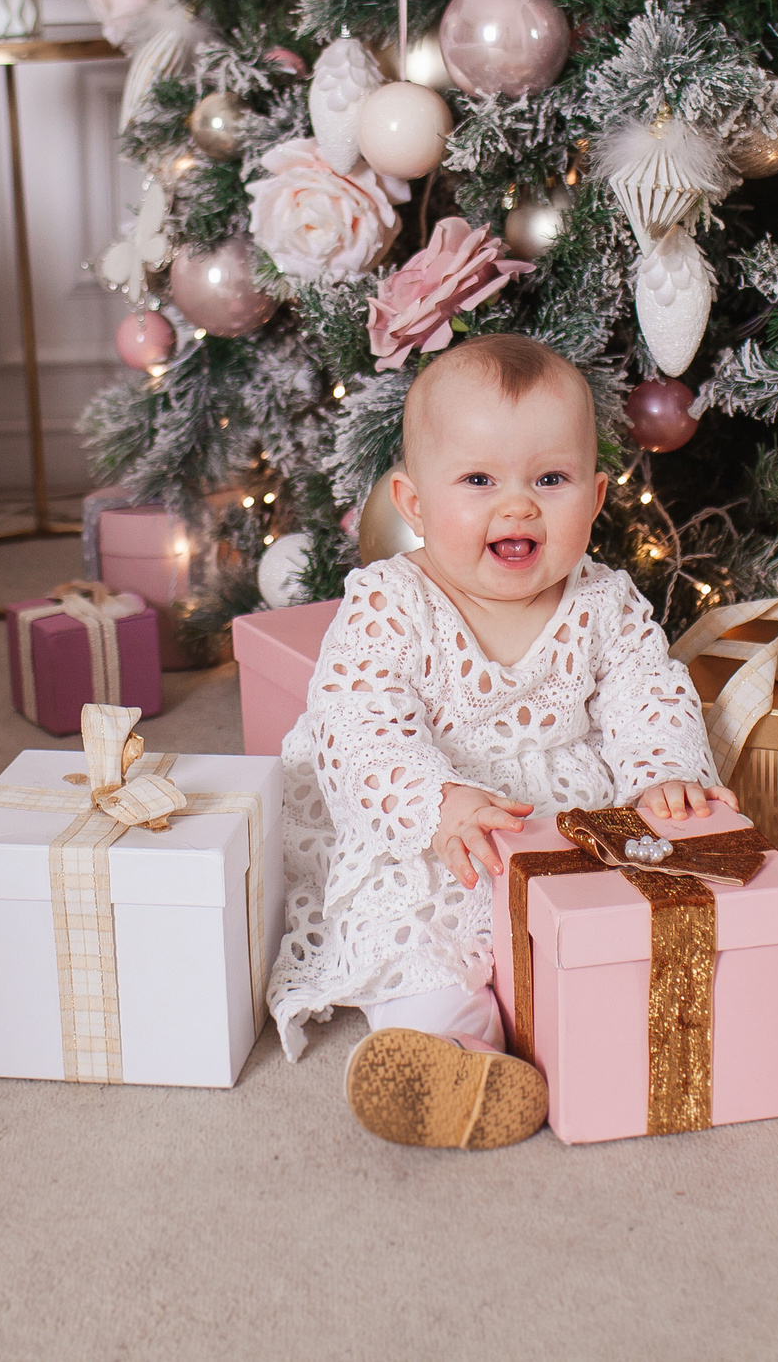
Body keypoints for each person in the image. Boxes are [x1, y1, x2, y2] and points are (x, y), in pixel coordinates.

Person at [266, 332, 733, 1148]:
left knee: (641, 928)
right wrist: (438, 800)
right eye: (478, 480)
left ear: (594, 497)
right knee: (420, 945)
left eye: (549, 480)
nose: (517, 506)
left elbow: (648, 691)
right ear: (413, 505)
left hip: (564, 820)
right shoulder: (389, 601)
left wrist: (662, 772)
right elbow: (357, 722)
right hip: (443, 836)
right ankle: (449, 1052)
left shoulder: (603, 601)